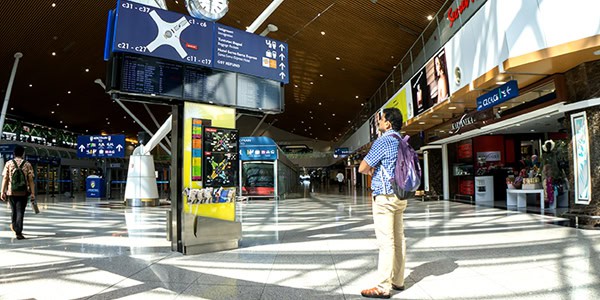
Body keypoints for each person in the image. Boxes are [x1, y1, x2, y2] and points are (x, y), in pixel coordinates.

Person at [358, 107, 407, 299]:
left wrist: (372, 170)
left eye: (381, 119)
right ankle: (398, 280)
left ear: (388, 123)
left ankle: (383, 286)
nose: (378, 122)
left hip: (385, 197)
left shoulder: (383, 141)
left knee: (386, 242)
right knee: (399, 239)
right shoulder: (402, 140)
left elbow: (362, 167)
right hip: (400, 196)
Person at [1, 145, 36, 240]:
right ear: (23, 154)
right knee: (20, 211)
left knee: (13, 211)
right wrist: (33, 193)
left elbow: (5, 178)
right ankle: (18, 232)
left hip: (11, 192)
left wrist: (2, 191)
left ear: (14, 153)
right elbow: (31, 180)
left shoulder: (9, 163)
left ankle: (14, 226)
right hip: (23, 192)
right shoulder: (27, 164)